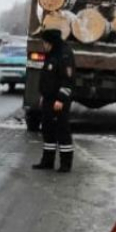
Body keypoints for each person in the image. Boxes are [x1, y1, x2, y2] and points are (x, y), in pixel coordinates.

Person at [32, 28, 75, 173]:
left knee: (62, 131)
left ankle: (65, 164)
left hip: (59, 100)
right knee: (48, 130)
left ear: (52, 42)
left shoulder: (64, 55)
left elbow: (67, 80)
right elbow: (47, 79)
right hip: (48, 99)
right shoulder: (52, 54)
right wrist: (43, 96)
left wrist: (61, 99)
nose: (44, 45)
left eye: (45, 42)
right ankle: (47, 161)